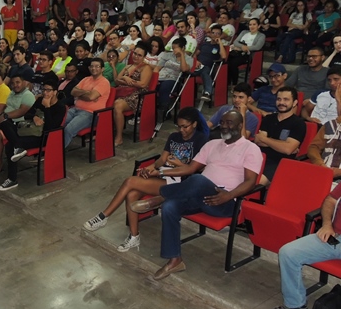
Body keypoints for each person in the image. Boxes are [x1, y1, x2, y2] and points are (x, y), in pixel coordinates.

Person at [131, 110, 263, 280]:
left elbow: (250, 182)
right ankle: (175, 260)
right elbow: (189, 168)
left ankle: (161, 197)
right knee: (171, 207)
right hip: (198, 196)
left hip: (224, 202)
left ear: (239, 125)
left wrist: (229, 196)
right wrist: (159, 172)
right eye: (222, 122)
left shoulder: (251, 149)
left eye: (229, 123)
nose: (224, 126)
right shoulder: (212, 144)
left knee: (198, 180)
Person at [83, 108, 208, 252]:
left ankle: (103, 216)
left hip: (181, 181)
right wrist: (149, 168)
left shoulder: (201, 140)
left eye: (185, 126)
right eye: (179, 126)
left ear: (194, 124)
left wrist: (176, 163)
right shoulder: (174, 136)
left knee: (130, 182)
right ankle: (134, 236)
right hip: (163, 174)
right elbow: (161, 159)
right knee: (132, 194)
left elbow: (197, 169)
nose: (182, 130)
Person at [270, 182, 341, 309]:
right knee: (288, 252)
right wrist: (327, 225)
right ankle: (295, 303)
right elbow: (330, 199)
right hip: (335, 236)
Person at [0, 74, 66, 191]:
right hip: (29, 129)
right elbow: (27, 114)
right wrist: (34, 117)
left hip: (43, 137)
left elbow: (51, 128)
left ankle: (12, 179)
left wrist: (48, 108)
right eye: (44, 90)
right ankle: (19, 147)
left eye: (48, 90)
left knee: (10, 145)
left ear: (55, 92)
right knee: (4, 122)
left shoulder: (60, 107)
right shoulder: (40, 100)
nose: (45, 93)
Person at [0, 71, 36, 175]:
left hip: (16, 124)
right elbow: (6, 106)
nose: (15, 85)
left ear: (24, 83)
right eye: (13, 83)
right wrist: (0, 114)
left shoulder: (28, 95)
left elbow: (21, 112)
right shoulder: (12, 93)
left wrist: (5, 116)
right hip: (3, 120)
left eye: (18, 82)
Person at [254, 87, 306, 184]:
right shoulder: (268, 118)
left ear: (294, 103)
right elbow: (258, 141)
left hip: (280, 163)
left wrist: (265, 139)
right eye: (279, 99)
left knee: (255, 182)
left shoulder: (298, 123)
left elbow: (287, 149)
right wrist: (282, 144)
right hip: (259, 157)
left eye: (286, 99)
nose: (281, 102)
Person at [63, 57, 111, 147]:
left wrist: (81, 94)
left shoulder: (104, 82)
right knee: (57, 124)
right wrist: (87, 92)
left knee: (68, 130)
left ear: (102, 69)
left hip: (90, 114)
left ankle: (56, 154)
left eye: (97, 66)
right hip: (75, 109)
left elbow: (91, 97)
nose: (94, 68)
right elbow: (73, 91)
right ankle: (49, 148)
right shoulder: (86, 79)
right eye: (92, 66)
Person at [112, 42, 153, 146]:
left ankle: (119, 137)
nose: (136, 56)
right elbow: (117, 80)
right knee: (104, 101)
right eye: (135, 53)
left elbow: (143, 84)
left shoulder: (146, 67)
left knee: (117, 105)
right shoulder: (128, 66)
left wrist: (127, 80)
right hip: (123, 92)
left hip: (137, 95)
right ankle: (103, 132)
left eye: (139, 55)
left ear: (144, 57)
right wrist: (126, 78)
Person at [227, 18, 266, 86]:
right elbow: (235, 42)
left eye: (254, 24)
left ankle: (234, 84)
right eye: (250, 24)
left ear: (259, 26)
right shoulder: (244, 32)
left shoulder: (261, 36)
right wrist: (242, 47)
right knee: (226, 61)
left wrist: (242, 48)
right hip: (236, 52)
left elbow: (257, 47)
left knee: (233, 63)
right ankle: (227, 82)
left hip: (247, 55)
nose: (252, 26)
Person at [194, 24, 226, 101]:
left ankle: (207, 93)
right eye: (213, 33)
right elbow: (195, 54)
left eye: (218, 33)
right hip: (196, 65)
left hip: (208, 67)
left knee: (205, 73)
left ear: (220, 35)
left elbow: (224, 56)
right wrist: (196, 61)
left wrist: (220, 43)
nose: (215, 35)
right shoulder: (204, 44)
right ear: (210, 34)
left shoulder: (220, 47)